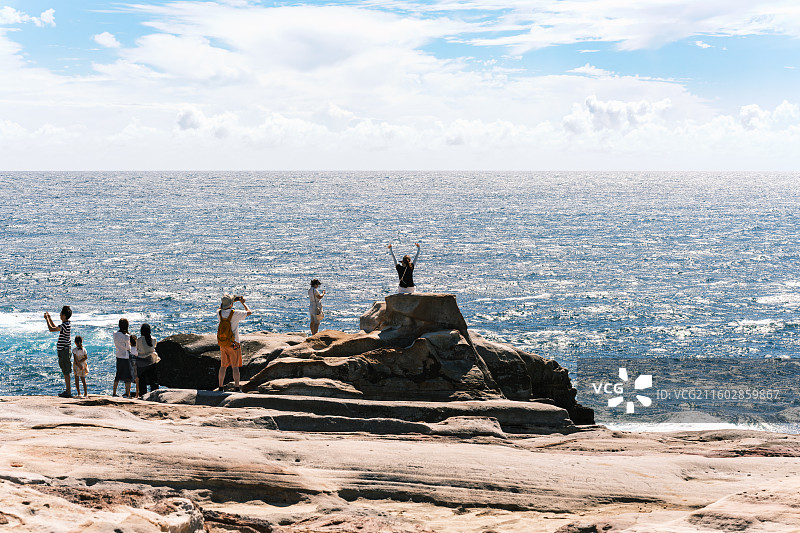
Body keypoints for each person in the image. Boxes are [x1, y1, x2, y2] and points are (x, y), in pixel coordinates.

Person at [216, 294, 251, 391]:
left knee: (223, 366)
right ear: (231, 304)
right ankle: (236, 388)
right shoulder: (235, 313)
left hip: (223, 343)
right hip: (234, 343)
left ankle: (220, 387)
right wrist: (243, 303)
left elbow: (220, 308)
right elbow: (249, 312)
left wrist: (230, 302)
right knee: (235, 367)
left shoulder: (219, 313)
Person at [44, 305, 73, 398]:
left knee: (66, 371)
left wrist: (46, 319)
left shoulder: (65, 325)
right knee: (65, 371)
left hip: (64, 351)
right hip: (64, 350)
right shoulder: (67, 324)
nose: (60, 315)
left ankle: (68, 392)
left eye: (61, 314)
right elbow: (54, 327)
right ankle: (68, 391)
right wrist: (49, 318)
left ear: (64, 315)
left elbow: (51, 329)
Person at [135, 323, 159, 398]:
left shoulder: (139, 340)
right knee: (153, 380)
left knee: (142, 380)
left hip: (141, 362)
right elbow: (154, 347)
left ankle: (143, 394)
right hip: (151, 361)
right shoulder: (154, 339)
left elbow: (137, 349)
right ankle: (155, 394)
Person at [112, 318, 133, 398]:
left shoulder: (115, 334)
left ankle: (114, 393)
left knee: (118, 375)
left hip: (118, 355)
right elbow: (128, 348)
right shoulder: (127, 336)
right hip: (126, 356)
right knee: (128, 376)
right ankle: (127, 393)